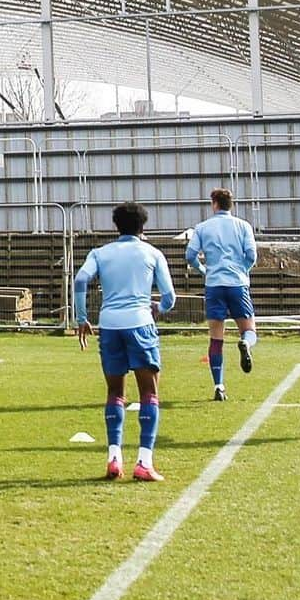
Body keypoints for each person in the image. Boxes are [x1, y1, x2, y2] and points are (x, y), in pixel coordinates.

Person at [74, 201, 176, 482]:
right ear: (143, 227)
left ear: (115, 226)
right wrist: (158, 308)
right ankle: (144, 461)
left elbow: (81, 279)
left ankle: (114, 458)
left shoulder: (101, 252)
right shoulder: (152, 253)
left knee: (115, 393)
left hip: (109, 325)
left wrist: (82, 317)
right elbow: (169, 297)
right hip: (140, 323)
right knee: (149, 393)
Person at [184, 188, 258, 401]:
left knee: (216, 338)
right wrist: (242, 270)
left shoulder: (203, 227)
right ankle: (245, 343)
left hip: (214, 285)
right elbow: (252, 255)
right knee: (249, 330)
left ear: (214, 203)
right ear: (231, 204)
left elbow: (189, 255)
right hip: (237, 283)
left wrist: (203, 270)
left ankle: (219, 385)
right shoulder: (243, 226)